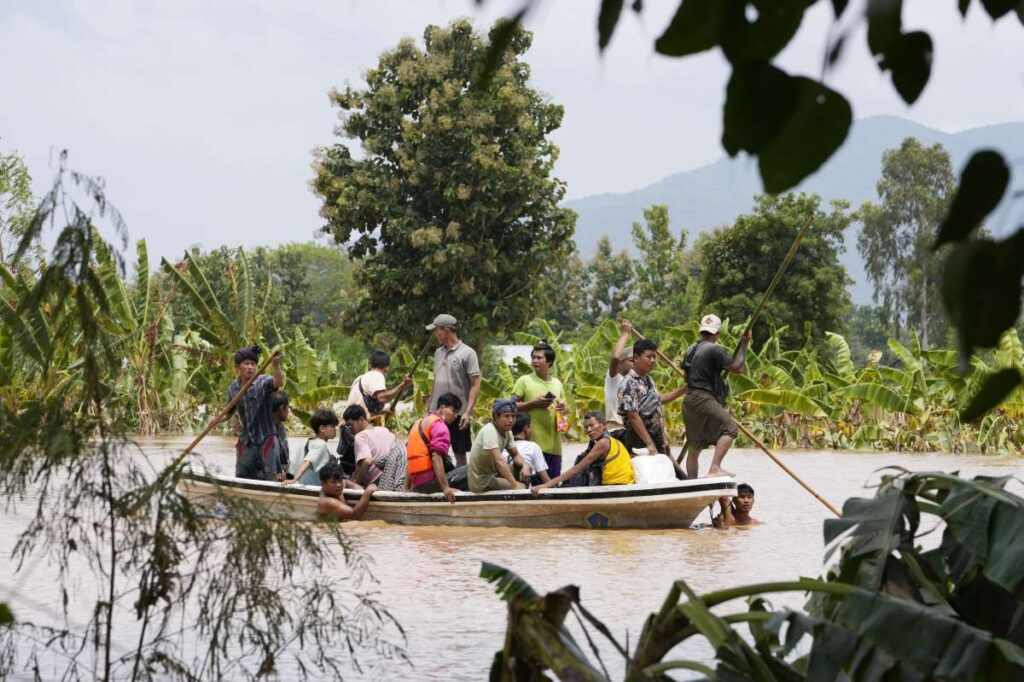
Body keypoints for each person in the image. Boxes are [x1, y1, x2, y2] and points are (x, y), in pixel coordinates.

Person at [681, 314, 750, 478]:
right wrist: (745, 345)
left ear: (701, 331)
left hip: (689, 400)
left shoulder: (689, 350)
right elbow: (738, 368)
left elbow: (685, 377)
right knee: (731, 428)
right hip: (703, 397)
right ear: (717, 333)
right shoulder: (714, 349)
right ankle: (715, 467)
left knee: (694, 445)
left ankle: (692, 483)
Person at [426, 314, 481, 468]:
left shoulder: (468, 353)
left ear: (446, 331)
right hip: (437, 412)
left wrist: (467, 412)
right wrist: (429, 407)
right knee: (434, 451)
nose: (435, 334)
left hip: (458, 413)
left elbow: (476, 384)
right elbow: (436, 380)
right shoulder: (438, 353)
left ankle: (461, 486)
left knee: (460, 453)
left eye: (437, 330)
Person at [616, 338, 686, 459]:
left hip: (655, 437)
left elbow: (657, 401)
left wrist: (683, 390)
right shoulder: (629, 383)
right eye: (649, 357)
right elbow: (633, 416)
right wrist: (649, 444)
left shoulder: (648, 380)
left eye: (654, 357)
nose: (653, 360)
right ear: (636, 358)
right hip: (639, 440)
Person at [533, 412, 634, 492]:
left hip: (617, 486)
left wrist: (546, 485)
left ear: (603, 425)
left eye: (592, 425)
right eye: (586, 427)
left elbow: (577, 469)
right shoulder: (606, 441)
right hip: (619, 485)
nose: (589, 430)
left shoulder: (604, 442)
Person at [226, 345, 285, 480]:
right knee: (242, 475)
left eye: (253, 364)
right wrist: (216, 420)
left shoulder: (263, 381)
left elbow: (278, 383)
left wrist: (276, 366)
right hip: (248, 438)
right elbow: (229, 412)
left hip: (267, 437)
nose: (250, 367)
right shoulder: (233, 389)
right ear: (238, 367)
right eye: (246, 364)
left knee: (271, 476)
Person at [511, 340, 567, 477]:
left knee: (552, 484)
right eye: (533, 357)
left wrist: (563, 409)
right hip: (531, 446)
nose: (534, 361)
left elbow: (564, 412)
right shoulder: (524, 380)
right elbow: (511, 407)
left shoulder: (557, 383)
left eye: (539, 358)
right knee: (533, 486)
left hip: (555, 447)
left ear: (549, 362)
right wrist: (534, 403)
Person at [405, 392, 462, 503]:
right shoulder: (440, 426)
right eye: (453, 411)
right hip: (429, 484)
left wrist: (406, 488)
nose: (455, 416)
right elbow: (436, 457)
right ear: (442, 408)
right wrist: (445, 488)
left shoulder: (418, 423)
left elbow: (412, 459)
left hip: (418, 484)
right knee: (469, 470)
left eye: (457, 413)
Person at [468, 400, 532, 493]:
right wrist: (515, 485)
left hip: (493, 472)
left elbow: (515, 455)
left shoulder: (507, 431)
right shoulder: (490, 431)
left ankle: (519, 490)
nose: (510, 420)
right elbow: (499, 462)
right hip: (482, 482)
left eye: (513, 416)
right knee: (521, 487)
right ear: (496, 417)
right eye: (506, 416)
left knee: (525, 469)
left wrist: (525, 465)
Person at [342, 404, 407, 491]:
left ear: (361, 420)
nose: (350, 429)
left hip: (373, 485)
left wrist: (357, 482)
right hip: (389, 481)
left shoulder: (361, 436)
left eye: (351, 425)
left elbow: (367, 461)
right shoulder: (386, 431)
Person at [347, 350, 413, 425]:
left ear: (370, 365)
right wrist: (403, 385)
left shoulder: (359, 379)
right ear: (387, 368)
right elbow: (381, 397)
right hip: (357, 426)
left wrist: (381, 411)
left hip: (349, 424)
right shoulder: (377, 375)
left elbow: (361, 404)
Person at [288, 408, 341, 486]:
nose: (335, 429)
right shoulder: (321, 444)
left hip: (301, 487)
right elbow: (307, 462)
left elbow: (292, 470)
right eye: (332, 426)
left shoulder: (304, 442)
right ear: (322, 428)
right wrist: (295, 480)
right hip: (313, 490)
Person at [503, 414, 550, 486]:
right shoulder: (533, 447)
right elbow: (544, 477)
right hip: (522, 488)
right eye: (531, 427)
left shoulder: (502, 446)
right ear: (526, 429)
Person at [605, 319, 634, 437]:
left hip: (632, 431)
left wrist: (684, 389)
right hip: (616, 431)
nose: (634, 364)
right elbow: (615, 357)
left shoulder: (635, 381)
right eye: (631, 360)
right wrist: (626, 333)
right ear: (621, 363)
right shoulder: (614, 378)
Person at [270, 391, 292, 481]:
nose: (288, 412)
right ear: (282, 409)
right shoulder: (265, 428)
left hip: (283, 470)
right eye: (288, 408)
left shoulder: (280, 425)